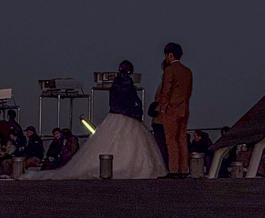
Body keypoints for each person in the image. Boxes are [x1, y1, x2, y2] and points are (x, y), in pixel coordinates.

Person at [27, 60, 166, 180]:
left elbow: (115, 102)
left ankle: (111, 167)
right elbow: (132, 101)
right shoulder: (127, 84)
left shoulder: (115, 84)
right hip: (129, 118)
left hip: (115, 117)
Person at [158, 42, 194, 177]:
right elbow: (189, 91)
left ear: (170, 55)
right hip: (184, 109)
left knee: (171, 140)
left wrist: (163, 108)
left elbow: (166, 91)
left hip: (171, 110)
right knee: (182, 139)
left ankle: (173, 170)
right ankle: (184, 169)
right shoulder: (187, 71)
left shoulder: (170, 70)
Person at [149, 59, 170, 168]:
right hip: (162, 119)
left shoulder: (166, 83)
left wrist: (156, 108)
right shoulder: (165, 82)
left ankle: (165, 167)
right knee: (163, 146)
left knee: (162, 146)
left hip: (162, 119)